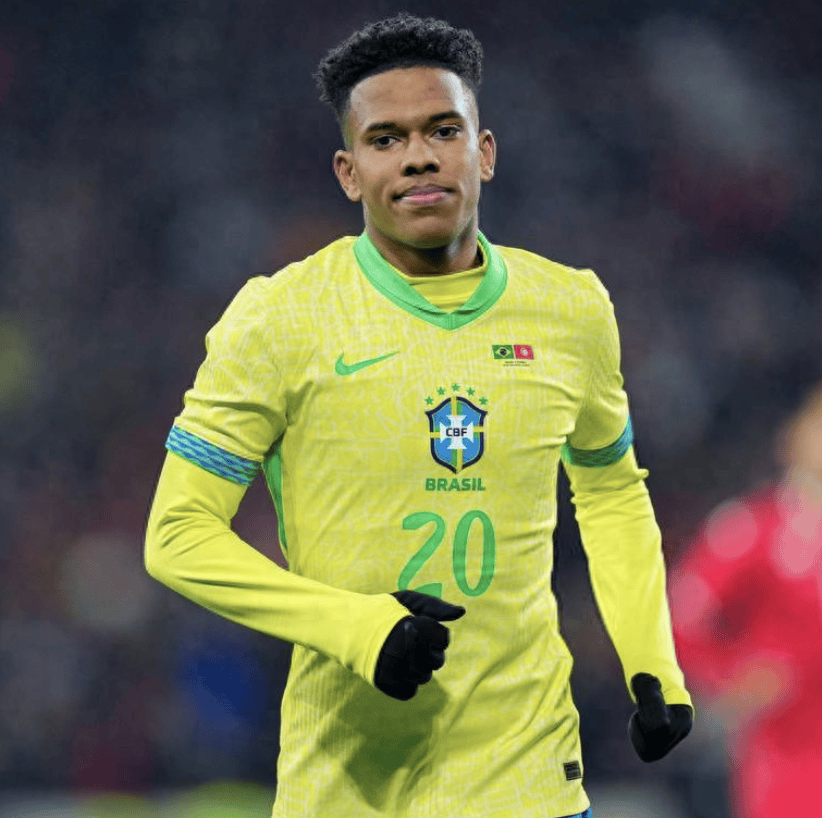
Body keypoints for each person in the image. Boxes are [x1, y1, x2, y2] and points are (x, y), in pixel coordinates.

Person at [144, 14, 692, 818]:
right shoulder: (280, 319)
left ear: (485, 152)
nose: (418, 157)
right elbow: (176, 535)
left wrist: (652, 660)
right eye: (385, 139)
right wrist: (355, 627)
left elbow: (610, 490)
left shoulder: (571, 309)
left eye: (443, 130)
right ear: (349, 172)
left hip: (529, 781)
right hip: (348, 788)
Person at [670, 381, 822, 818]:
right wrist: (728, 677)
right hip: (790, 756)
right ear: (792, 436)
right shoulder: (755, 527)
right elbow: (682, 612)